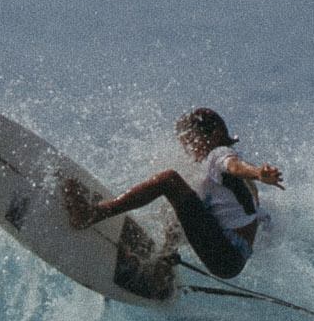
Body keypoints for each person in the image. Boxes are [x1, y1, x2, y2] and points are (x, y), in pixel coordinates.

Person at [65, 108, 282, 297]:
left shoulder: (219, 154)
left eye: (192, 142)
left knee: (169, 181)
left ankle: (91, 215)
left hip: (226, 255)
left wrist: (257, 173)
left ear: (214, 135)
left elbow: (233, 165)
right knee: (178, 205)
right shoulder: (223, 180)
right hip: (230, 257)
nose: (189, 150)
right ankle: (161, 268)